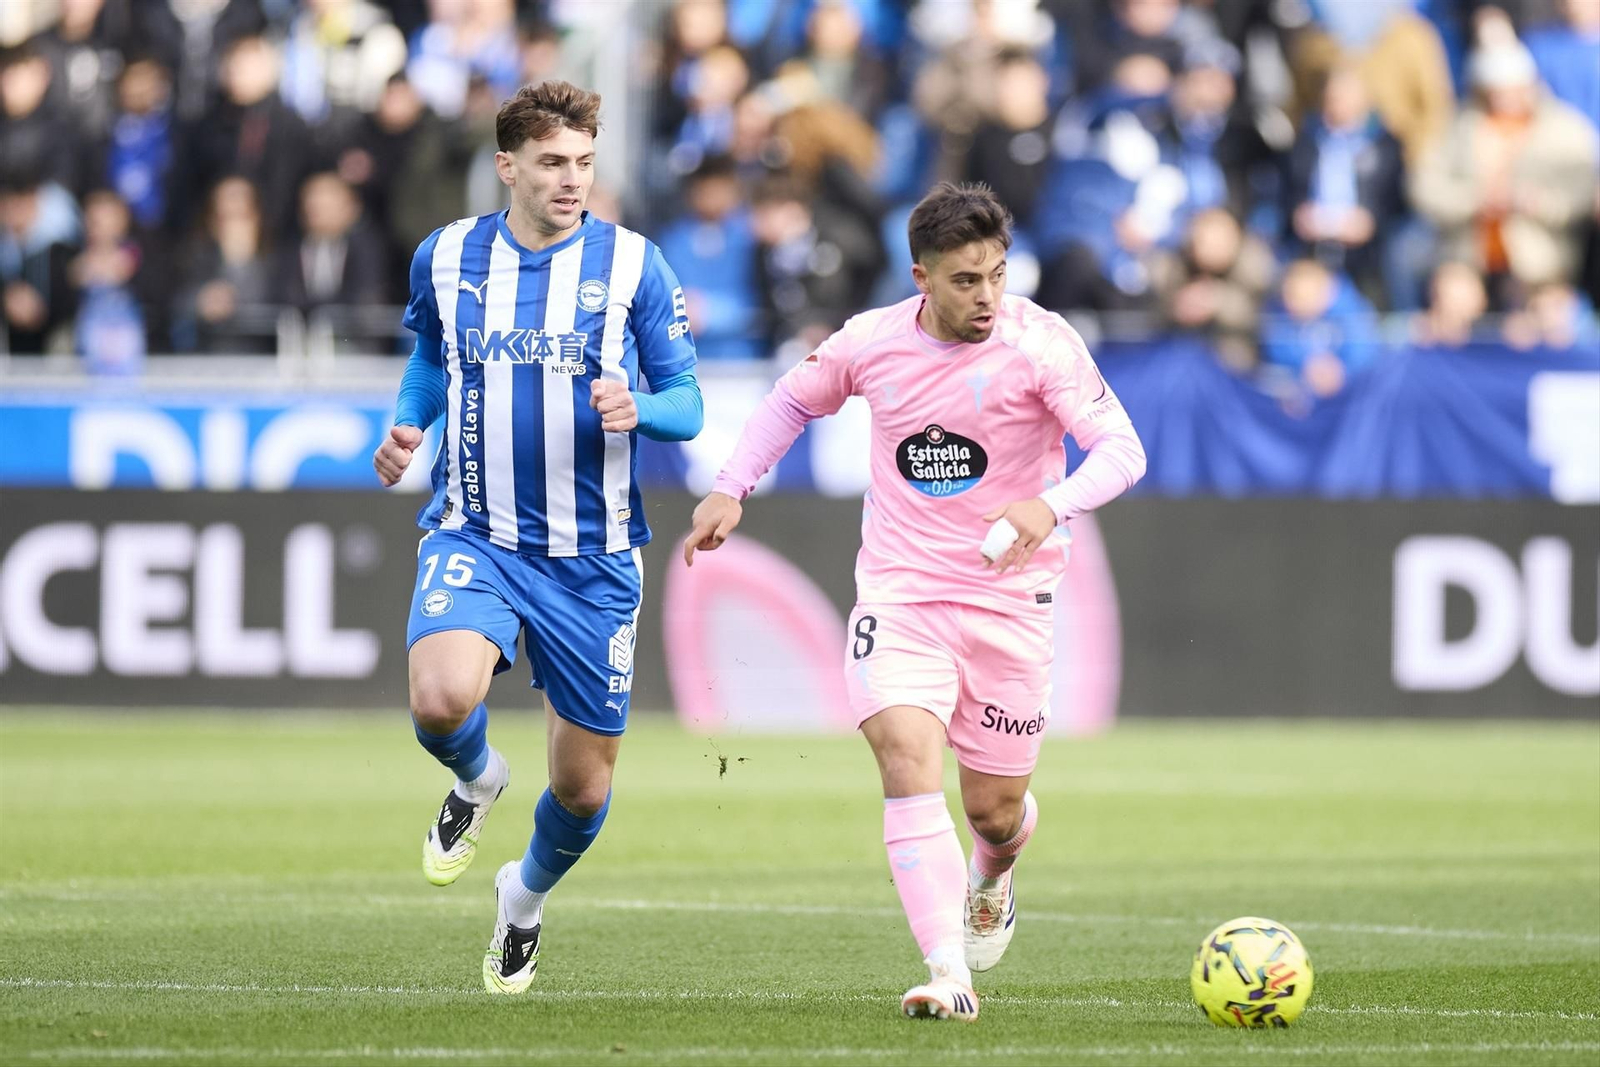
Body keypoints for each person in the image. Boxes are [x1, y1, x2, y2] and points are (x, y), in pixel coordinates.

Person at [682, 182, 1146, 1021]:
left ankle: (995, 873)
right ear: (921, 277)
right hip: (901, 592)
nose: (988, 297)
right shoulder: (872, 342)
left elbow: (1122, 450)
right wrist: (731, 487)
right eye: (967, 280)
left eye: (998, 275)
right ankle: (946, 969)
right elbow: (792, 397)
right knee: (905, 758)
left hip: (1010, 600)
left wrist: (1051, 505)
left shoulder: (1042, 344)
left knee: (994, 811)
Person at [370, 80, 704, 995]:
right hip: (474, 529)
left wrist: (644, 408)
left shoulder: (635, 265)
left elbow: (689, 399)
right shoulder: (446, 257)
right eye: (554, 163)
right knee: (440, 699)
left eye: (586, 162)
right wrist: (409, 426)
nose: (573, 180)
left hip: (593, 558)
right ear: (507, 165)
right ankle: (476, 779)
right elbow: (434, 358)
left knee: (585, 789)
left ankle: (522, 897)